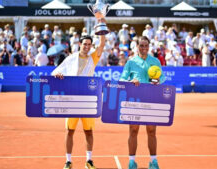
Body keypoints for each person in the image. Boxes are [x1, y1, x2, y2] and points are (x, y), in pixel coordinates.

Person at [51, 18, 107, 169]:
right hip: (72, 99)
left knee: (88, 131)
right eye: (85, 44)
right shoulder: (71, 59)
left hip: (88, 99)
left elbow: (102, 44)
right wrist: (58, 76)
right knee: (70, 131)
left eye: (89, 44)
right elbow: (55, 72)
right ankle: (68, 161)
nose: (87, 46)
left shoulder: (93, 58)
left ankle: (89, 161)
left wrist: (101, 22)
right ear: (80, 44)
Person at [119, 36, 165, 169]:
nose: (144, 48)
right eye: (141, 46)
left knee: (151, 131)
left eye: (146, 46)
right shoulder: (131, 62)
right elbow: (122, 79)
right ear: (137, 46)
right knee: (133, 130)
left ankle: (153, 161)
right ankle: (132, 162)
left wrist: (158, 81)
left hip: (151, 99)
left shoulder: (155, 61)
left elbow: (162, 76)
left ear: (149, 47)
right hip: (134, 100)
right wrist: (130, 82)